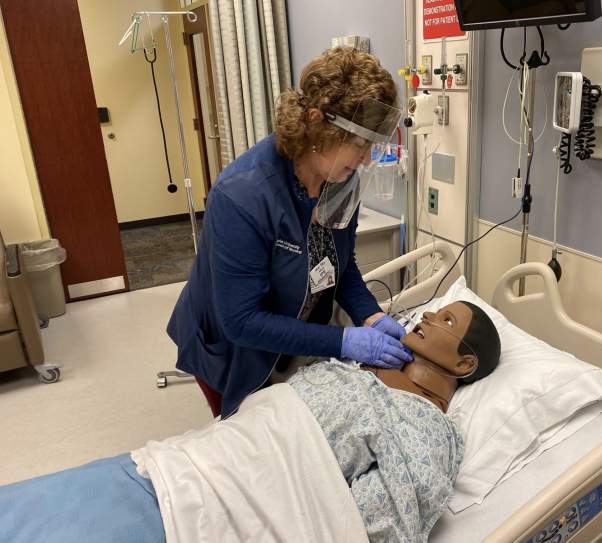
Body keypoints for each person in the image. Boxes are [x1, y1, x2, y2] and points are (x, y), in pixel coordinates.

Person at [167, 47, 412, 419]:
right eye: (359, 144)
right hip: (235, 344)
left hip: (294, 338)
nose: (365, 159)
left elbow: (340, 266)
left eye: (372, 147)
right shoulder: (242, 196)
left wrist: (370, 316)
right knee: (245, 436)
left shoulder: (340, 179)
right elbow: (243, 321)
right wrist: (343, 340)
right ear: (315, 122)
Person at [287, 300, 502, 543]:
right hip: (257, 421)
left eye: (447, 320)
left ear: (464, 363)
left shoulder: (427, 429)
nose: (428, 314)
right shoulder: (365, 357)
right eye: (436, 312)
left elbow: (380, 523)